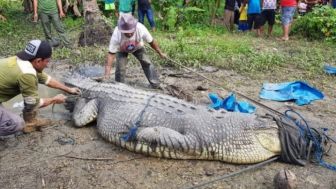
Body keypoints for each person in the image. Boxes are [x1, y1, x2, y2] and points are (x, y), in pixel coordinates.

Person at [0, 40, 80, 136]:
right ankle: (28, 123)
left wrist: (68, 89)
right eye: (47, 61)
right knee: (17, 124)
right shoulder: (27, 74)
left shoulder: (22, 60)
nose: (47, 65)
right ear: (38, 61)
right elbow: (33, 103)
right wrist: (54, 99)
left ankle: (30, 121)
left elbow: (46, 79)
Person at [104, 14, 166, 89]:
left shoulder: (141, 28)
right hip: (122, 50)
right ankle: (119, 87)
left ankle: (155, 84)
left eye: (131, 31)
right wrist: (107, 75)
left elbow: (151, 42)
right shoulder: (117, 33)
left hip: (138, 47)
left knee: (147, 62)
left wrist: (160, 53)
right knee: (120, 68)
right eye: (126, 32)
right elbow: (111, 54)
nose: (129, 34)